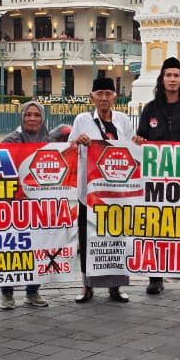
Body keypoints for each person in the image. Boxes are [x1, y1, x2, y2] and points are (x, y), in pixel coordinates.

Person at [136, 57, 180, 294]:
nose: (173, 80)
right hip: (156, 183)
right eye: (169, 75)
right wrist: (138, 142)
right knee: (156, 228)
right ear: (162, 79)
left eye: (176, 75)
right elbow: (141, 141)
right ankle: (155, 277)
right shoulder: (150, 109)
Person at [72, 77, 137, 304]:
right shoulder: (82, 119)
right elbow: (70, 149)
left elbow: (132, 151)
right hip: (89, 194)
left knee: (117, 238)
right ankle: (86, 286)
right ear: (92, 97)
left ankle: (115, 287)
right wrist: (78, 142)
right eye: (99, 93)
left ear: (115, 97)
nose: (104, 98)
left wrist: (138, 142)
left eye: (108, 93)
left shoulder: (123, 120)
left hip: (117, 193)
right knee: (88, 238)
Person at [0, 101, 50, 309]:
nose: (32, 119)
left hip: (40, 207)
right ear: (21, 117)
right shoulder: (11, 140)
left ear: (42, 119)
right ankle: (7, 293)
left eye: (36, 115)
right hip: (15, 205)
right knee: (12, 249)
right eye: (28, 115)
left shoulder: (50, 140)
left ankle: (33, 291)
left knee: (38, 249)